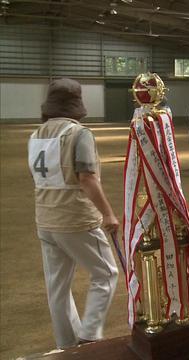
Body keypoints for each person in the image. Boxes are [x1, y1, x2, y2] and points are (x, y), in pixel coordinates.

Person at [28, 78, 119, 349]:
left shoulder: (36, 135)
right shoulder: (79, 133)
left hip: (45, 219)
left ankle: (67, 345)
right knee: (106, 273)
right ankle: (90, 334)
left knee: (57, 287)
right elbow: (87, 177)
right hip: (76, 219)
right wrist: (108, 214)